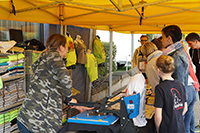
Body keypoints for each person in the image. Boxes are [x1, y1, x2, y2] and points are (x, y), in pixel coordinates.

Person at [17, 34, 91, 133]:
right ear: (61, 47)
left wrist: (75, 105)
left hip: (26, 118)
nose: (68, 50)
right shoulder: (55, 57)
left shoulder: (44, 57)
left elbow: (51, 89)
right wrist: (69, 98)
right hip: (37, 123)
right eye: (67, 47)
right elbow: (66, 80)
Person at [154, 55, 187, 133]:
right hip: (180, 127)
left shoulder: (160, 88)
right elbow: (185, 108)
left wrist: (158, 129)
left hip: (167, 128)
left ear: (158, 70)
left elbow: (158, 116)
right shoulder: (180, 84)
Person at [161, 25, 189, 89]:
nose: (161, 40)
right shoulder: (176, 52)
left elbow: (179, 82)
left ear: (169, 38)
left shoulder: (176, 55)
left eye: (162, 37)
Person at [125, 66, 147, 132]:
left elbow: (134, 98)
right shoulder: (136, 78)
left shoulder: (137, 80)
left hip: (135, 120)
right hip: (135, 118)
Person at [185, 32, 200, 98]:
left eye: (190, 43)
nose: (189, 45)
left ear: (196, 41)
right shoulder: (192, 50)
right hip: (198, 77)